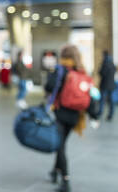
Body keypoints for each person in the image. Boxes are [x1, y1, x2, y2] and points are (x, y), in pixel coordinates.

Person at [45, 45, 87, 192]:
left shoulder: (61, 70)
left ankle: (65, 180)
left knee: (60, 146)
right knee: (61, 143)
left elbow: (48, 87)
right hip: (75, 116)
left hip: (61, 113)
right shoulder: (81, 71)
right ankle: (54, 171)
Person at [97, 50, 116, 122]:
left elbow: (102, 73)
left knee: (102, 100)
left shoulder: (104, 63)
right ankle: (111, 114)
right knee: (111, 100)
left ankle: (100, 112)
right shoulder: (112, 63)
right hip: (111, 84)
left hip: (105, 84)